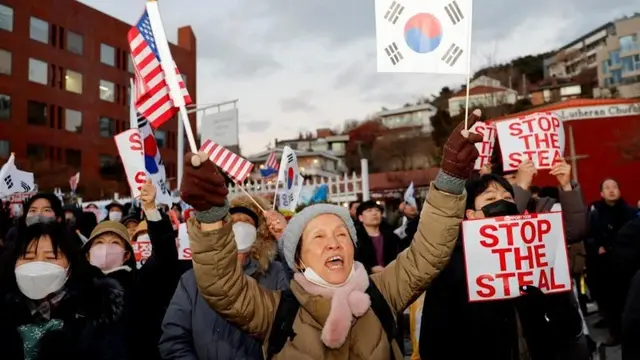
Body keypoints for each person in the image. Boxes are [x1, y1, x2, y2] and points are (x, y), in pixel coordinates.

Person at [179, 109, 483, 359]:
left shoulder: (383, 293)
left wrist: (450, 180)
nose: (333, 243)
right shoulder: (276, 311)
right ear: (298, 258)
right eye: (319, 237)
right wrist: (210, 216)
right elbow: (222, 286)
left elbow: (428, 253)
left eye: (341, 234)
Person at [419, 173, 588, 360]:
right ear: (472, 215)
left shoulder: (537, 256)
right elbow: (434, 342)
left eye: (508, 197)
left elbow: (570, 327)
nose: (502, 202)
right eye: (490, 198)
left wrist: (549, 303)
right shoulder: (451, 267)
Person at [159, 195, 289, 359]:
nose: (241, 226)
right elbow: (174, 340)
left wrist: (285, 239)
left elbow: (297, 313)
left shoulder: (275, 273)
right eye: (234, 222)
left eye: (247, 222)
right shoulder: (192, 280)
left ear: (258, 233)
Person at [0, 222, 127, 359]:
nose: (39, 265)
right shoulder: (5, 310)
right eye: (28, 257)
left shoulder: (99, 312)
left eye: (51, 257)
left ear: (70, 266)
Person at [586, 177, 637, 345]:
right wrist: (597, 247)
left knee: (628, 300)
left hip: (628, 264)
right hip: (604, 264)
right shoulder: (595, 212)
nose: (611, 190)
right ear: (601, 193)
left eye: (614, 186)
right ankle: (615, 332)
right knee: (609, 301)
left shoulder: (630, 212)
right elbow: (588, 235)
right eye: (607, 187)